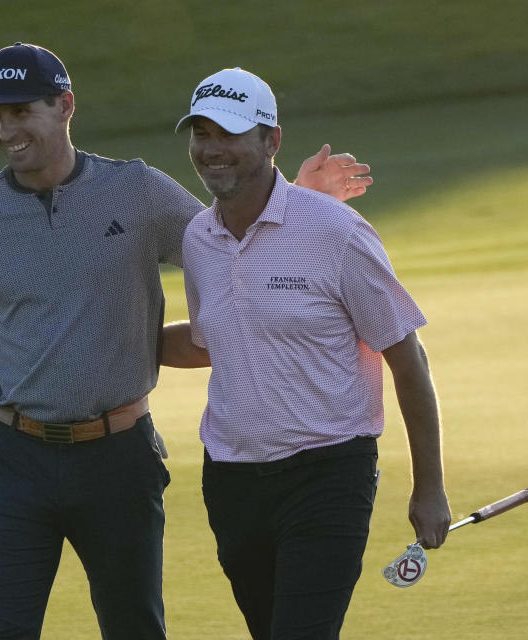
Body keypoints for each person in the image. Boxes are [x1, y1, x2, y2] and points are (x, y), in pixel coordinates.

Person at [0, 43, 372, 640]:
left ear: (66, 106)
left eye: (22, 112)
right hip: (12, 460)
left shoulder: (138, 192)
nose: (6, 130)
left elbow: (235, 245)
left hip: (118, 460)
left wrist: (301, 201)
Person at [173, 67, 452, 640]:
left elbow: (407, 357)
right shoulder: (199, 239)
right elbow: (213, 340)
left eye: (229, 134)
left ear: (271, 140)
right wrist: (106, 340)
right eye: (201, 134)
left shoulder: (337, 232)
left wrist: (429, 485)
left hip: (327, 473)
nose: (211, 149)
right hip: (230, 479)